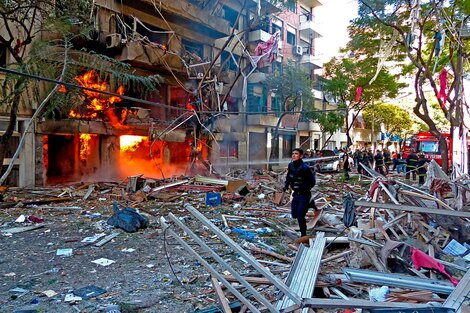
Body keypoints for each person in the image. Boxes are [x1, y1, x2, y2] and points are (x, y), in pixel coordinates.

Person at [283, 148, 316, 237]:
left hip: (304, 195)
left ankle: (303, 234)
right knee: (294, 214)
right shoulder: (290, 165)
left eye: (296, 154)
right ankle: (310, 205)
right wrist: (286, 185)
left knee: (301, 216)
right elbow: (288, 177)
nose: (293, 155)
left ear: (301, 156)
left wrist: (304, 188)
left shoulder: (305, 168)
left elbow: (312, 182)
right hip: (295, 194)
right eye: (293, 153)